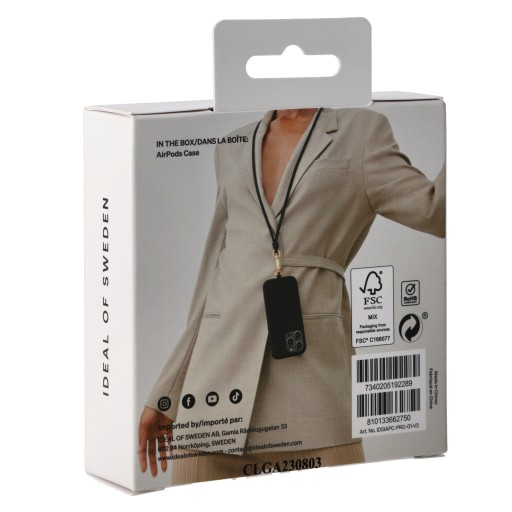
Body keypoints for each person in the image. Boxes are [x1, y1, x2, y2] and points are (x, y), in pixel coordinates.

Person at [138, 106, 446, 483]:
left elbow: (436, 211)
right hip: (212, 402)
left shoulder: (361, 130)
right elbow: (210, 281)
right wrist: (167, 393)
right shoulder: (232, 144)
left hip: (315, 396)